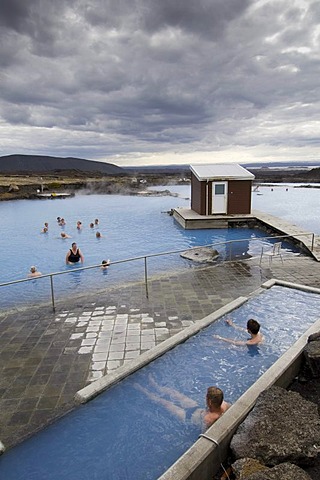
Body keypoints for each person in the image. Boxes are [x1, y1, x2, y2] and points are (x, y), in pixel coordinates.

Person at [135, 374, 230, 430]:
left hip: (187, 417)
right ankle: (155, 385)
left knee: (165, 403)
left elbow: (203, 437)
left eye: (206, 397)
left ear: (209, 401)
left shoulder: (208, 420)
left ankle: (143, 391)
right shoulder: (225, 404)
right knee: (175, 393)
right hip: (196, 409)